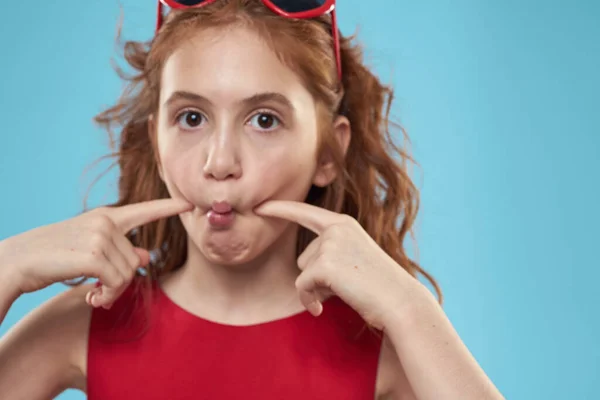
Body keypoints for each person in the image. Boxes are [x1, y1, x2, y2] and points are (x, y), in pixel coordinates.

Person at [0, 0, 504, 398]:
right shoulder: (83, 325)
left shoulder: (388, 346)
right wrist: (6, 267)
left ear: (328, 152)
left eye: (264, 119)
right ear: (156, 143)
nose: (219, 162)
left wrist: (408, 308)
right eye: (191, 118)